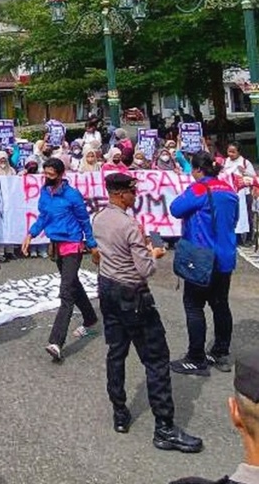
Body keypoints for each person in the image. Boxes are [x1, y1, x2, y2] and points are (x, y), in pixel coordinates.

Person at [92, 173, 203, 453]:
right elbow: (145, 269)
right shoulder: (129, 225)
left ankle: (119, 412)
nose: (136, 195)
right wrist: (154, 253)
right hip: (132, 294)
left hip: (108, 289)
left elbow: (103, 254)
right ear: (121, 194)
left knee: (116, 352)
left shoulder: (99, 217)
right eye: (132, 191)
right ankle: (164, 427)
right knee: (156, 358)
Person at [22, 158, 100, 362]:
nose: (47, 177)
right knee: (73, 284)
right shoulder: (45, 192)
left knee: (66, 293)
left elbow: (84, 221)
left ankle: (56, 342)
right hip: (56, 245)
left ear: (61, 174)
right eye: (45, 173)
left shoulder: (72, 195)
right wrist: (31, 234)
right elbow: (43, 217)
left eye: (51, 174)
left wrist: (92, 245)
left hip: (73, 245)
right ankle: (90, 318)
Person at [169, 151, 239, 376]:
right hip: (225, 257)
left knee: (193, 305)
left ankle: (196, 357)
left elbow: (175, 209)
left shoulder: (199, 189)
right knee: (220, 305)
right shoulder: (229, 189)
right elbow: (235, 219)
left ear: (198, 169)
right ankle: (221, 352)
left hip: (201, 257)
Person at [222, 142, 256, 246]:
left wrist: (244, 171)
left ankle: (249, 237)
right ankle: (237, 238)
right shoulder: (225, 162)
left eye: (233, 152)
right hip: (230, 193)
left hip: (244, 193)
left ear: (239, 152)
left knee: (247, 215)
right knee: (234, 215)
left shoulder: (245, 162)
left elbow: (254, 177)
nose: (231, 154)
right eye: (229, 151)